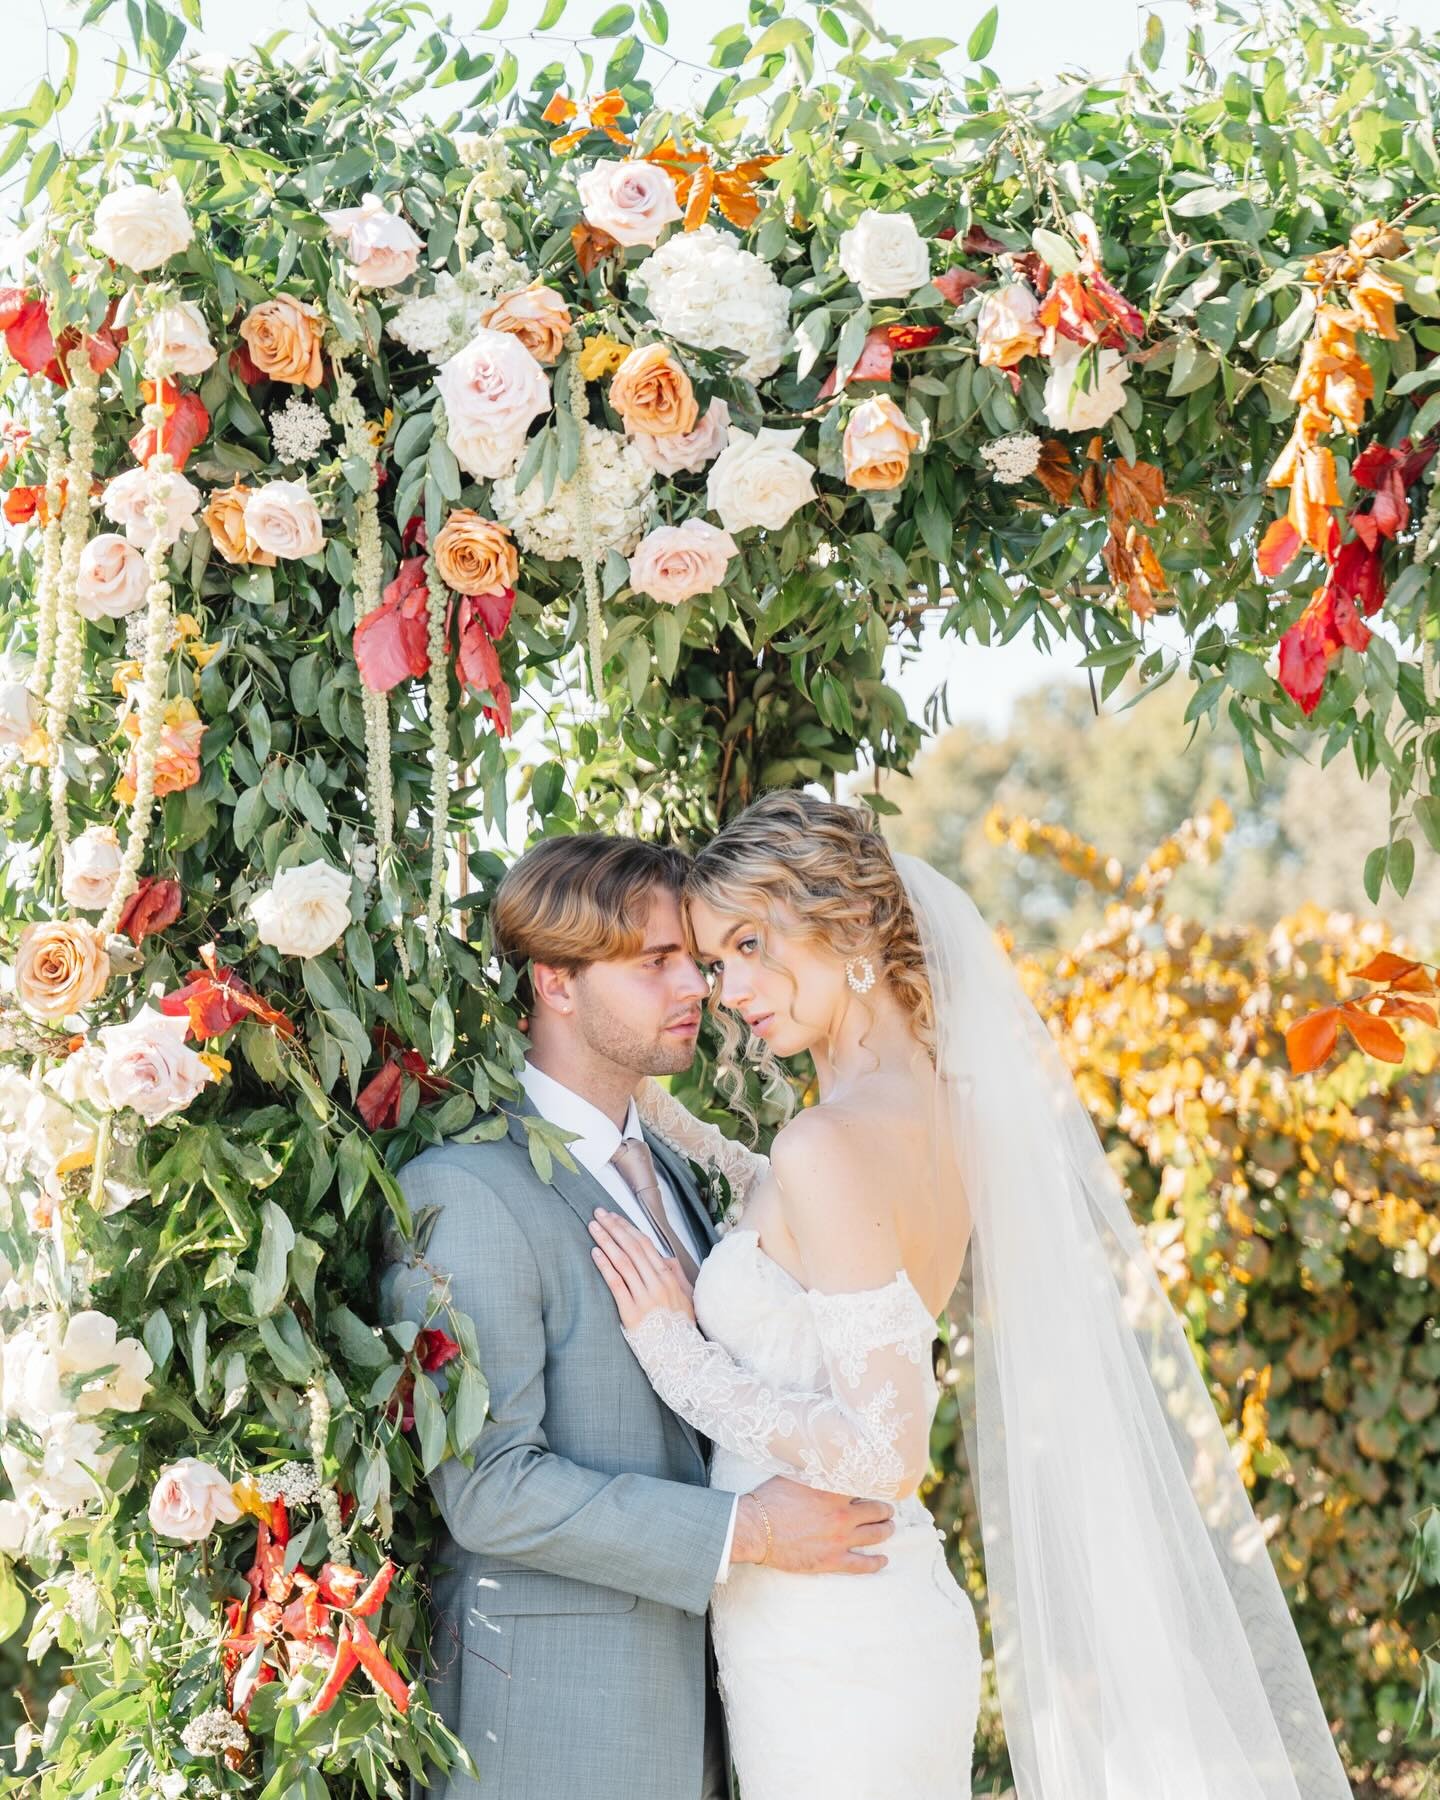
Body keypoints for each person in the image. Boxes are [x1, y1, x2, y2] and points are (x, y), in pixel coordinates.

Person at [590, 789, 1357, 1800]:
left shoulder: (826, 1145)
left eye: (744, 945)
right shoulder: (950, 1115)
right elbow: (819, 1242)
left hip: (829, 1639)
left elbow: (885, 1450)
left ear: (848, 923)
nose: (728, 986)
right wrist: (681, 1133)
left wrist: (673, 1354)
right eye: (715, 960)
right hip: (873, 1618)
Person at [382, 834, 896, 1800]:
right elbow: (489, 1488)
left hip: (722, 1721)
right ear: (556, 984)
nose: (694, 986)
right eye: (654, 962)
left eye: (694, 962)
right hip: (551, 1733)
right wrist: (744, 1531)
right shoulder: (462, 1192)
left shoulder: (682, 1181)